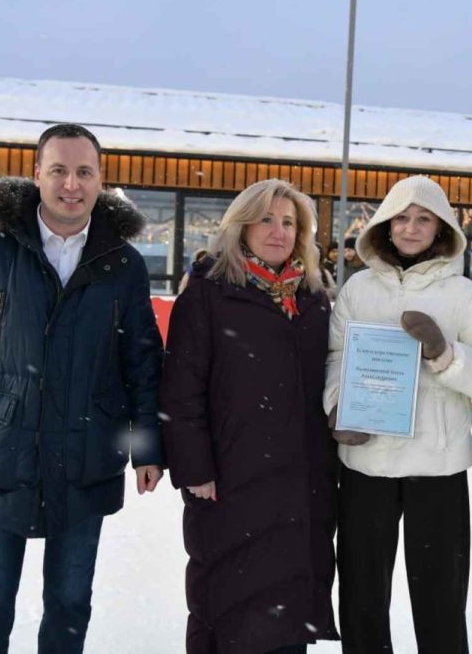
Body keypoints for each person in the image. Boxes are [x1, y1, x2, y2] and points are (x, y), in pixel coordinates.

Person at [0, 123, 166, 654]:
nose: (72, 184)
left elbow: (142, 363)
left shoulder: (123, 264)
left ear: (100, 180)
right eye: (59, 170)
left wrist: (149, 448)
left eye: (84, 172)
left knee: (69, 605)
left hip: (86, 460)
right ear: (37, 175)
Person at [325, 175, 472, 653]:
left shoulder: (463, 294)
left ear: (441, 227)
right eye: (402, 218)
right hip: (366, 464)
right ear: (386, 225)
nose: (411, 227)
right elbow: (336, 356)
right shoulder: (357, 289)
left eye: (423, 219)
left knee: (440, 599)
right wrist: (337, 407)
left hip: (438, 467)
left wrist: (445, 354)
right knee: (362, 594)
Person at [161, 179, 339, 654]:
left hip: (300, 483)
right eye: (266, 219)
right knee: (229, 608)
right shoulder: (208, 293)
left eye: (289, 222)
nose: (279, 231)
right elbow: (181, 390)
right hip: (231, 481)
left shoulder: (313, 297)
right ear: (241, 226)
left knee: (288, 613)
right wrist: (194, 468)